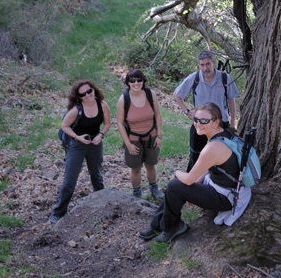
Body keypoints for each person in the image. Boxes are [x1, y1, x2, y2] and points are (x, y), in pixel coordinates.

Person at [138, 103, 251, 243]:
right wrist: (191, 187)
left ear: (216, 122)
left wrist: (177, 172)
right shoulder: (225, 133)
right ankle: (157, 224)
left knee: (175, 185)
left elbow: (189, 179)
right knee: (179, 186)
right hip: (227, 187)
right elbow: (205, 171)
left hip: (226, 198)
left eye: (204, 121)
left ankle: (173, 226)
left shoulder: (214, 147)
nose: (198, 124)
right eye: (196, 119)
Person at [49, 79, 111, 223]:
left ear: (94, 90)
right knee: (70, 181)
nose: (88, 95)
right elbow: (64, 126)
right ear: (79, 97)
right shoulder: (76, 110)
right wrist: (77, 137)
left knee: (97, 176)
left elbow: (107, 124)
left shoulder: (102, 105)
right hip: (77, 144)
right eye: (83, 94)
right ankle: (58, 213)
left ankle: (102, 205)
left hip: (95, 142)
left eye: (90, 91)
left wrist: (101, 135)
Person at [173, 50, 239, 171]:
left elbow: (231, 101)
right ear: (199, 65)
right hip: (200, 125)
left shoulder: (225, 78)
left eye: (208, 64)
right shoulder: (194, 78)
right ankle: (190, 184)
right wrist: (188, 112)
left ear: (213, 63)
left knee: (220, 158)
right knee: (196, 156)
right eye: (202, 65)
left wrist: (232, 123)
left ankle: (215, 185)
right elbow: (177, 95)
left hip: (220, 125)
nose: (205, 68)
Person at [116, 69, 164, 199]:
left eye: (139, 80)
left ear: (143, 81)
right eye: (132, 80)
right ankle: (136, 193)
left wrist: (159, 135)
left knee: (150, 165)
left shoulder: (150, 94)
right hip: (133, 138)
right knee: (136, 168)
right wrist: (128, 144)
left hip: (151, 137)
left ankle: (154, 189)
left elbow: (158, 115)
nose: (136, 83)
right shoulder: (123, 99)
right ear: (128, 82)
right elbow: (120, 123)